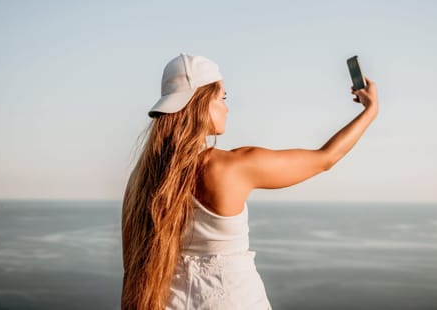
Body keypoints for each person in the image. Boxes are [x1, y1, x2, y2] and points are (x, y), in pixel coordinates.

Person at [120, 53, 379, 310]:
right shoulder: (230, 167)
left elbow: (131, 272)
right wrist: (371, 111)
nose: (227, 107)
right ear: (201, 103)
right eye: (222, 97)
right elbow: (325, 158)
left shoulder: (141, 181)